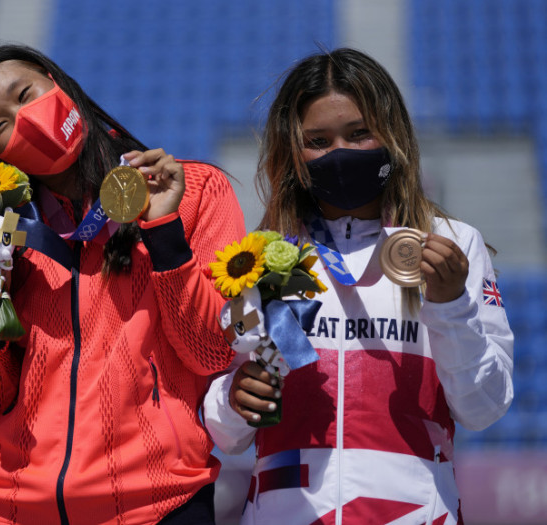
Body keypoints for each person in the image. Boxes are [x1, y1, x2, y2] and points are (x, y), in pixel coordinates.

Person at [0, 44, 245, 524]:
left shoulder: (193, 191)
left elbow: (210, 352)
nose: (26, 119)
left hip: (155, 505)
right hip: (7, 508)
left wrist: (164, 232)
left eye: (26, 94)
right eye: (0, 127)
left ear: (55, 81)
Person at [202, 48, 514, 524]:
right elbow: (228, 434)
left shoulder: (452, 244)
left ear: (393, 135)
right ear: (294, 152)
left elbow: (484, 407)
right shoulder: (261, 259)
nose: (340, 153)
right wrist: (234, 399)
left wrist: (450, 305)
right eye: (319, 140)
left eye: (359, 133)